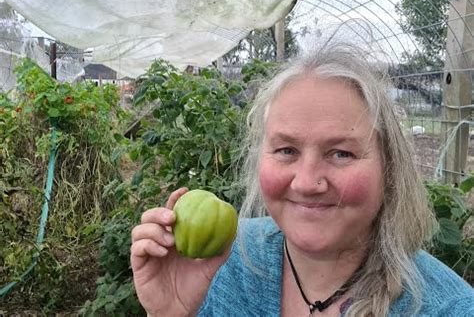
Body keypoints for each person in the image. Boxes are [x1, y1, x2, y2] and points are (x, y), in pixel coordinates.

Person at [130, 34, 474, 316]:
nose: (307, 183)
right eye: (286, 151)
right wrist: (170, 314)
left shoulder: (448, 308)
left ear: (390, 169)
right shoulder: (223, 262)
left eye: (341, 153)